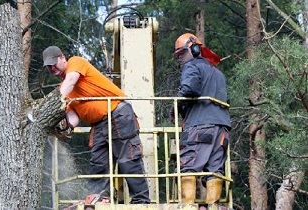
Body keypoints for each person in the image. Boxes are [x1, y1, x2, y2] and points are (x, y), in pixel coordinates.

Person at [42, 46, 150, 204]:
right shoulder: (66, 91)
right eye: (48, 66)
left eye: (54, 63)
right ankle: (100, 198)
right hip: (99, 124)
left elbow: (71, 80)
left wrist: (51, 105)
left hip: (117, 113)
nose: (52, 68)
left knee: (128, 159)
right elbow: (73, 117)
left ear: (62, 58)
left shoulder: (75, 63)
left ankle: (141, 202)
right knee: (98, 161)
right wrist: (63, 129)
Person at [171, 33, 231, 205]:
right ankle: (213, 205)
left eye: (182, 54)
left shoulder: (192, 66)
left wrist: (176, 106)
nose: (180, 59)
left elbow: (190, 88)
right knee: (214, 169)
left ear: (195, 50)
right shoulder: (218, 74)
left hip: (200, 127)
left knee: (187, 166)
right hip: (222, 130)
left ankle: (187, 206)